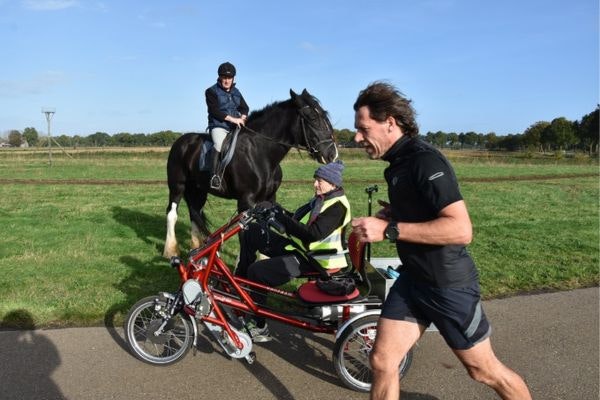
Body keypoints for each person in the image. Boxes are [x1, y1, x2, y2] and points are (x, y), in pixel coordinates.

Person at [350, 82, 532, 400]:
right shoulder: (397, 166)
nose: (357, 137)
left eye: (363, 129)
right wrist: (400, 212)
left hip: (447, 285)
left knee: (483, 370)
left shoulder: (425, 161)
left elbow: (461, 230)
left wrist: (389, 230)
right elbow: (425, 212)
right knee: (382, 360)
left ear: (389, 122)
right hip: (413, 281)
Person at [236, 160, 351, 342]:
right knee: (251, 232)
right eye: (316, 179)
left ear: (333, 183)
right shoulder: (320, 200)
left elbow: (313, 235)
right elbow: (296, 220)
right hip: (299, 249)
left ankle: (259, 326)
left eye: (319, 181)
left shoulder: (338, 206)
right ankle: (240, 285)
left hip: (317, 260)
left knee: (257, 271)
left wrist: (281, 215)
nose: (315, 184)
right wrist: (274, 209)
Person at [205, 61, 249, 188]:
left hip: (236, 126)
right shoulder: (211, 91)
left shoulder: (236, 92)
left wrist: (243, 117)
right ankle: (215, 176)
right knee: (219, 144)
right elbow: (214, 111)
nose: (226, 80)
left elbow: (245, 107)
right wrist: (233, 119)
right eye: (224, 77)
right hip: (219, 126)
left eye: (229, 78)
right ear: (219, 77)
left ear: (233, 78)